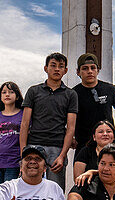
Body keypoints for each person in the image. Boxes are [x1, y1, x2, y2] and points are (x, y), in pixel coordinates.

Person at [21, 53, 78, 185]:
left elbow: (71, 128)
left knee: (55, 190)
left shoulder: (71, 94)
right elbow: (24, 124)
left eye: (61, 66)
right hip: (34, 144)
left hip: (57, 147)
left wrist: (62, 156)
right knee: (29, 187)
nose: (57, 69)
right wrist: (23, 153)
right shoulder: (33, 91)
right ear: (46, 68)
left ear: (66, 70)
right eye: (53, 65)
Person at [72, 53, 115, 148]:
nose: (89, 71)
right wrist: (70, 137)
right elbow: (65, 118)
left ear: (97, 71)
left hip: (108, 145)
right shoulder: (73, 93)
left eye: (93, 68)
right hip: (83, 145)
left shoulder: (110, 89)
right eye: (85, 68)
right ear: (78, 72)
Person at [0, 81, 24, 188]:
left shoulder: (23, 115)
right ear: (0, 97)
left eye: (11, 92)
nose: (7, 94)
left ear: (17, 96)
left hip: (14, 162)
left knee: (10, 193)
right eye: (4, 92)